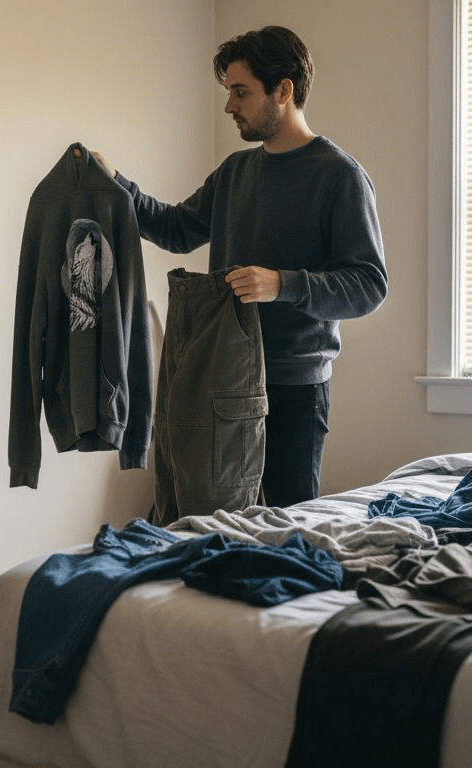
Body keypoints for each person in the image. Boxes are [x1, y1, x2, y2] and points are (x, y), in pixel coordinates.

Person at [96, 26, 387, 509]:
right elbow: (176, 229)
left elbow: (369, 285)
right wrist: (116, 185)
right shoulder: (235, 172)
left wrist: (281, 284)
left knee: (287, 524)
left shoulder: (340, 176)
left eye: (241, 92)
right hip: (223, 380)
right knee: (216, 521)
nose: (229, 105)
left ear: (284, 90)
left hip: (294, 387)